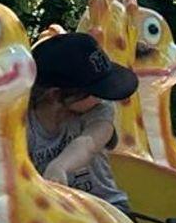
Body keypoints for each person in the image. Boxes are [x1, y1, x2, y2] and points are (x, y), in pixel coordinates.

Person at [26, 32, 136, 211]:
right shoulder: (24, 124)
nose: (103, 97)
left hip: (107, 208)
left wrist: (60, 166)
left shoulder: (100, 110)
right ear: (55, 95)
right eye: (95, 92)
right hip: (49, 213)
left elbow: (89, 143)